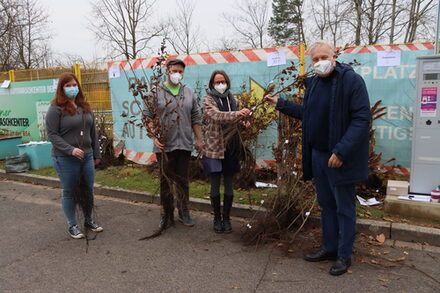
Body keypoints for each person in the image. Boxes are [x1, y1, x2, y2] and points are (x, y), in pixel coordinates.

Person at [265, 40, 371, 276]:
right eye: (315, 59)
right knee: (327, 205)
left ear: (334, 57)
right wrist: (281, 104)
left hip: (339, 157)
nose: (320, 62)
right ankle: (329, 248)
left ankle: (344, 255)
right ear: (311, 61)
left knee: (344, 207)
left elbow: (362, 119)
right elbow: (308, 114)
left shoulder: (350, 81)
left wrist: (342, 150)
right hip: (319, 156)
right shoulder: (313, 84)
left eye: (325, 57)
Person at [143, 59, 203, 229]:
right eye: (174, 70)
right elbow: (147, 116)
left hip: (184, 144)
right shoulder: (156, 92)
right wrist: (155, 136)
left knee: (183, 181)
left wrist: (199, 140)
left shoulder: (189, 92)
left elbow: (196, 117)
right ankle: (166, 214)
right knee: (166, 181)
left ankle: (184, 212)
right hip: (165, 146)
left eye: (180, 71)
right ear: (167, 70)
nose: (177, 74)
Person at [46, 72, 103, 239]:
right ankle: (72, 224)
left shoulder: (85, 107)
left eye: (74, 85)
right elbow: (52, 135)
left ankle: (88, 220)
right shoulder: (55, 109)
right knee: (69, 191)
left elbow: (93, 132)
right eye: (68, 85)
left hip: (87, 156)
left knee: (88, 190)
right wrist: (70, 149)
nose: (72, 88)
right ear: (61, 88)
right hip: (65, 159)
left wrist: (96, 154)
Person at [202, 70, 251, 233]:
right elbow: (216, 116)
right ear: (212, 84)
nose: (220, 84)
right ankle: (216, 218)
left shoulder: (232, 99)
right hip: (214, 147)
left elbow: (233, 119)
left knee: (229, 184)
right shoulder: (208, 99)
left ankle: (227, 218)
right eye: (217, 82)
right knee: (215, 184)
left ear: (227, 82)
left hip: (231, 147)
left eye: (223, 81)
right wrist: (237, 113)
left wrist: (243, 122)